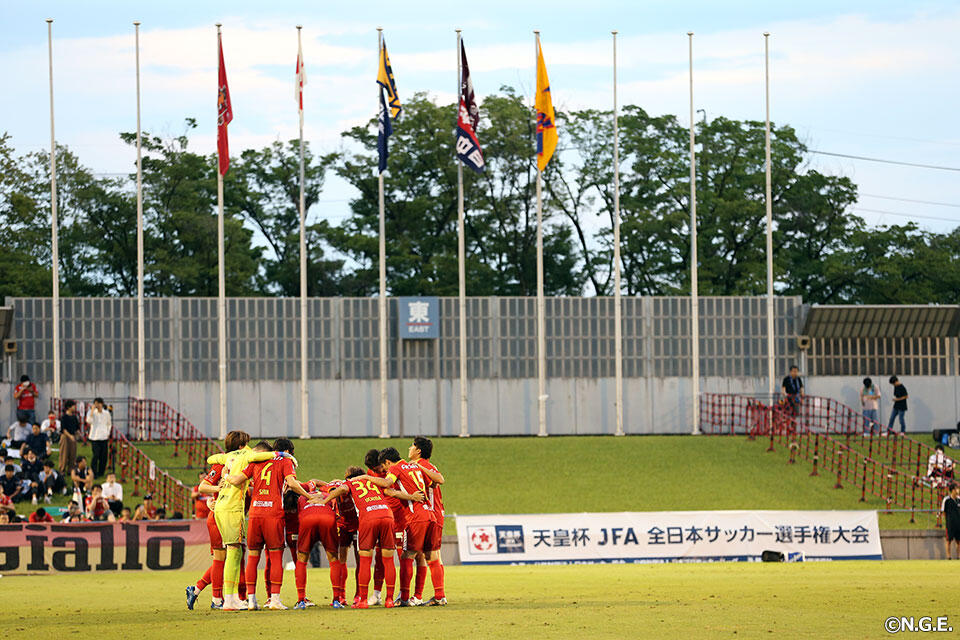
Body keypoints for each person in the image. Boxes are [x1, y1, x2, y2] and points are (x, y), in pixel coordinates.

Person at [314, 466, 420, 609]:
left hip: (368, 517)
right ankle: (389, 600)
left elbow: (342, 489)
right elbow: (392, 492)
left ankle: (362, 600)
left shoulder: (351, 483)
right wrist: (412, 496)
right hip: (387, 515)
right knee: (388, 560)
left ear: (348, 478)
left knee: (364, 560)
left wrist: (324, 501)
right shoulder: (375, 482)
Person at [224, 438, 311, 611]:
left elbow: (236, 480)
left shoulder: (257, 461)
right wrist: (310, 496)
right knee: (276, 556)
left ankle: (251, 600)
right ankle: (275, 600)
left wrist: (225, 474)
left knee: (253, 557)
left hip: (255, 514)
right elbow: (292, 483)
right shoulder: (285, 461)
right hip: (273, 514)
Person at [208, 430, 279, 611]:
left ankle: (230, 598)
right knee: (233, 553)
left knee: (232, 552)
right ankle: (230, 600)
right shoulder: (248, 456)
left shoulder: (227, 457)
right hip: (232, 508)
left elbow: (210, 459)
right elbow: (269, 454)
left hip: (220, 507)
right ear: (242, 445)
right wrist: (283, 454)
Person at [360, 447, 434, 607]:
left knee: (409, 555)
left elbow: (388, 487)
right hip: (387, 516)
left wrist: (409, 497)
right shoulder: (409, 466)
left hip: (405, 517)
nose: (380, 470)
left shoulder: (394, 469)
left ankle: (406, 595)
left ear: (385, 462)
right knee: (383, 555)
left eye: (380, 467)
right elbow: (435, 481)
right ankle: (379, 594)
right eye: (374, 470)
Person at [409, 436, 447, 606]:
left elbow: (440, 479)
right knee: (429, 555)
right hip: (432, 513)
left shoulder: (423, 465)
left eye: (412, 446)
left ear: (418, 451)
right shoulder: (422, 466)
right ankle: (432, 595)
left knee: (431, 555)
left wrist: (419, 467)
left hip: (432, 513)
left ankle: (439, 596)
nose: (409, 448)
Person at [186, 460, 227, 610]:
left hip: (228, 517)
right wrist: (217, 490)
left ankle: (196, 590)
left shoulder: (242, 463)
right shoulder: (222, 464)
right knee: (221, 558)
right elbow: (203, 486)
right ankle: (217, 599)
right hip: (219, 517)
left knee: (224, 559)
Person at [86, 397, 112, 478]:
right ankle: (94, 472)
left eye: (99, 404)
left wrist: (108, 432)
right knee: (96, 455)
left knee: (103, 456)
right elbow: (88, 421)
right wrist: (92, 411)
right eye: (96, 404)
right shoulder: (91, 412)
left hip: (104, 437)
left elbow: (109, 423)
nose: (97, 405)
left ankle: (101, 472)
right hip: (95, 437)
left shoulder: (106, 413)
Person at [58, 400, 81, 476]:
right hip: (65, 436)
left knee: (73, 454)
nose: (74, 407)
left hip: (73, 436)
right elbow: (63, 429)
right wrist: (69, 436)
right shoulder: (64, 417)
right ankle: (62, 469)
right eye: (73, 406)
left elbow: (77, 428)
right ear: (68, 407)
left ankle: (71, 469)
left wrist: (80, 436)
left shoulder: (74, 417)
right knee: (64, 453)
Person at [942, 483, 960, 559]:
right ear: (953, 490)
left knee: (958, 541)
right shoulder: (946, 500)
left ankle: (958, 556)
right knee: (949, 540)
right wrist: (947, 520)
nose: (958, 490)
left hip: (958, 523)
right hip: (950, 524)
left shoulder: (959, 500)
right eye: (956, 489)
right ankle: (948, 556)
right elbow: (943, 511)